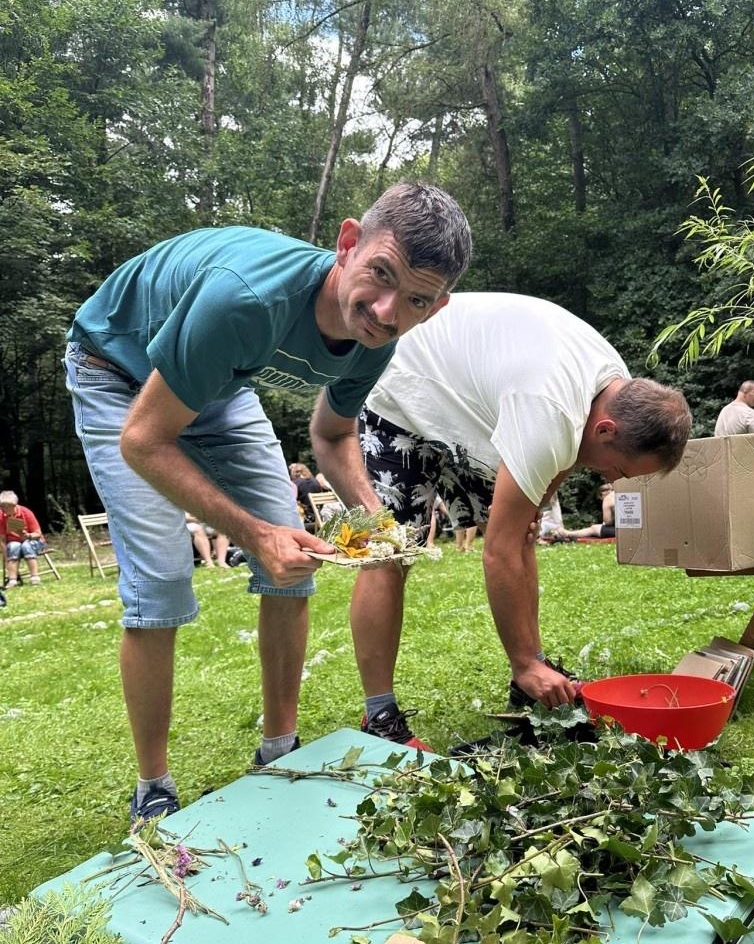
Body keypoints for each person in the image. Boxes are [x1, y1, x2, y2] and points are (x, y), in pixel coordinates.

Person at [64, 181, 471, 821]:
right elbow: (144, 441)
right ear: (347, 244)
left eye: (415, 300)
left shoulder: (379, 340)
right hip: (116, 369)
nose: (387, 311)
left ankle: (279, 750)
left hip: (220, 384)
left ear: (436, 307)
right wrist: (254, 535)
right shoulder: (246, 301)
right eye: (380, 276)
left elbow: (332, 435)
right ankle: (154, 788)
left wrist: (377, 521)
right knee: (163, 580)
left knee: (295, 566)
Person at [351, 292, 692, 747]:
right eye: (619, 470)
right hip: (399, 390)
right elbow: (498, 552)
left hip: (468, 402)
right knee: (391, 555)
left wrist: (538, 501)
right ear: (606, 431)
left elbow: (565, 460)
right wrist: (522, 661)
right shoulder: (549, 412)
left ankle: (533, 669)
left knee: (522, 534)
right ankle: (380, 717)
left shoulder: (617, 390)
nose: (611, 478)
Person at [0, 491, 47, 586]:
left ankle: (35, 577)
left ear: (13, 505)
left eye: (5, 506)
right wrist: (5, 557)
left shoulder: (26, 513)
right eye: (1, 506)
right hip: (14, 543)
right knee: (14, 546)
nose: (3, 509)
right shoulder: (1, 516)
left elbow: (38, 534)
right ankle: (13, 580)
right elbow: (2, 539)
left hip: (33, 540)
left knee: (26, 545)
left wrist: (28, 535)